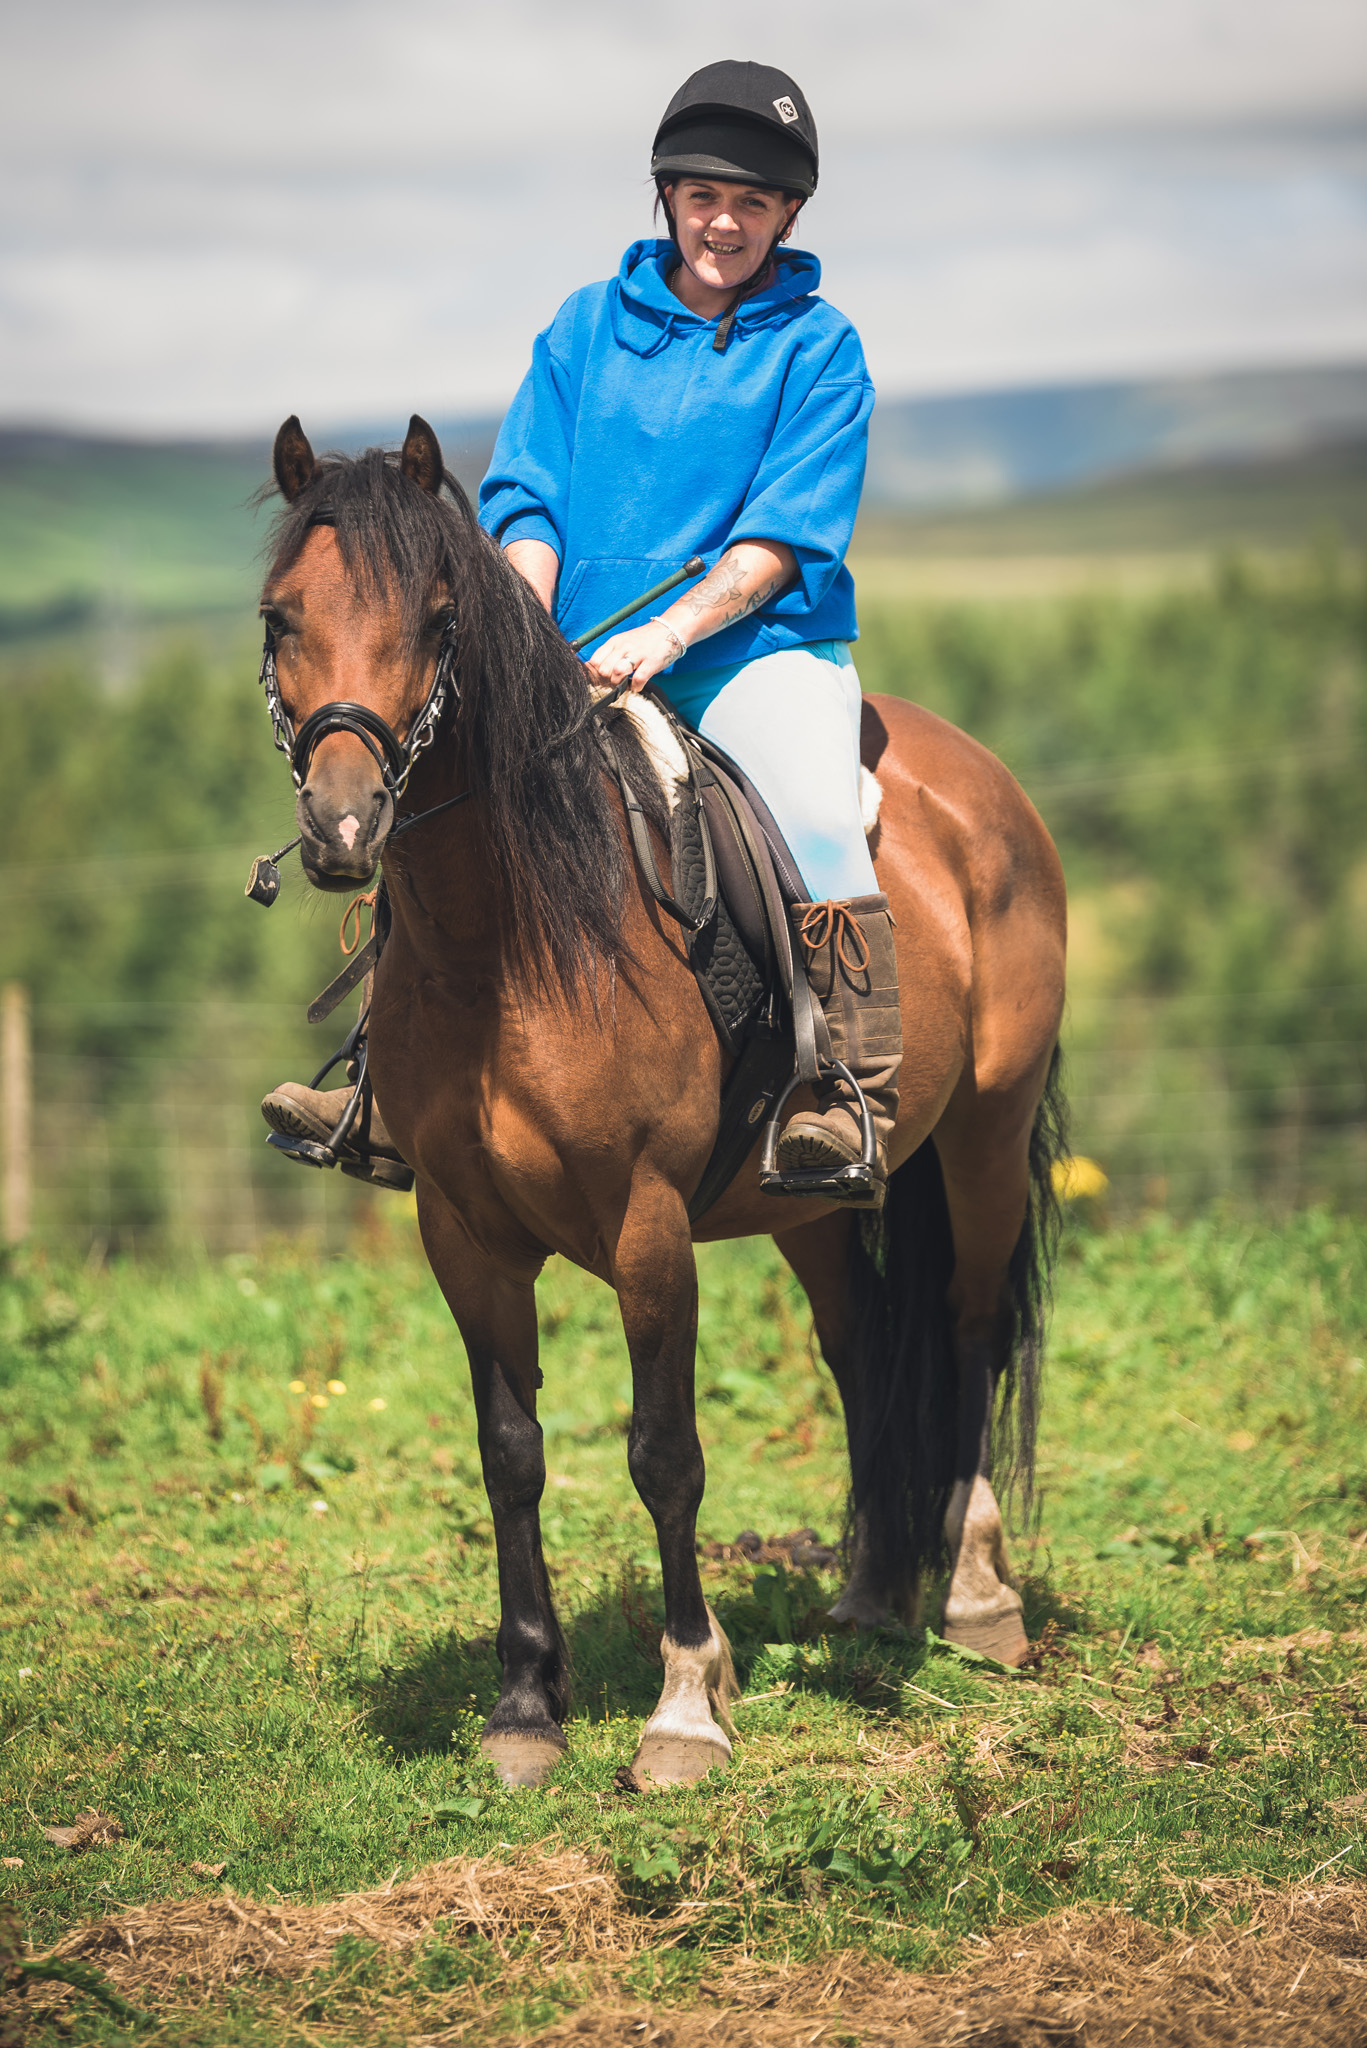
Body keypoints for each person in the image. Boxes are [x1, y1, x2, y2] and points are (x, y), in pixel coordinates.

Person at [263, 60, 902, 1203]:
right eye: (703, 194)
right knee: (440, 803)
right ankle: (379, 1084)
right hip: (572, 655)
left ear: (788, 216)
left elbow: (780, 536)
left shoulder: (820, 348)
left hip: (754, 653)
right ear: (665, 195)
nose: (724, 221)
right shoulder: (583, 328)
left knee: (816, 816)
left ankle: (842, 1094)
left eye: (752, 203)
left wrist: (666, 635)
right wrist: (530, 624)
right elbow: (525, 497)